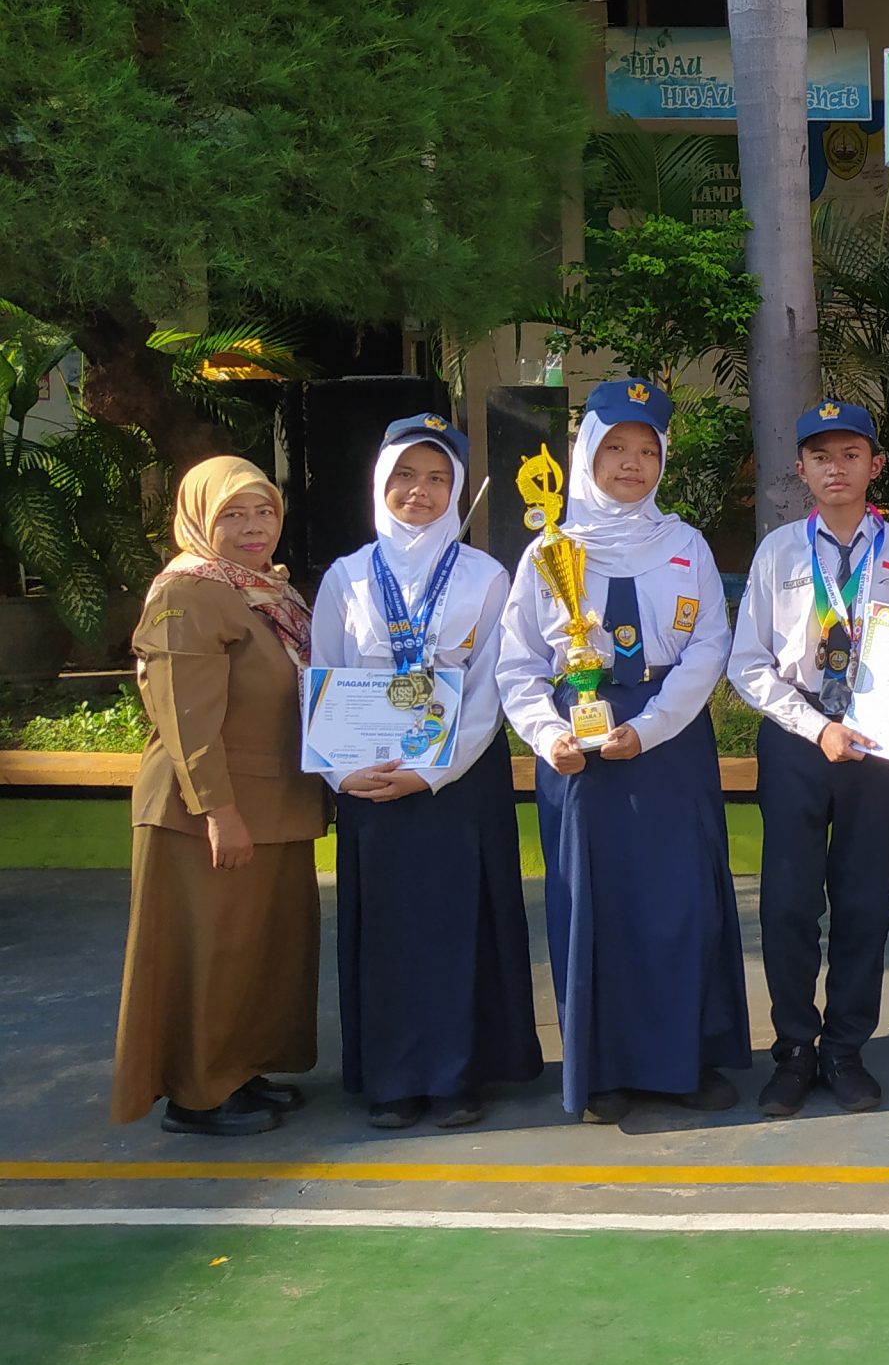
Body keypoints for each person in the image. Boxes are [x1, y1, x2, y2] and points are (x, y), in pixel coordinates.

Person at [497, 379, 749, 1123]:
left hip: (668, 740)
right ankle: (603, 1068)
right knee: (594, 907)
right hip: (578, 744)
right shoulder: (550, 550)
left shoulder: (685, 545)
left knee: (679, 902)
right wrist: (548, 735)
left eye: (647, 450)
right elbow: (516, 664)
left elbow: (709, 645)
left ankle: (685, 1061)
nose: (632, 464)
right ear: (586, 454)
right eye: (615, 448)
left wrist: (654, 725)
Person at [309, 414, 541, 1130]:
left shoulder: (486, 576)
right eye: (406, 475)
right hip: (371, 782)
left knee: (457, 925)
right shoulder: (347, 577)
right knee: (387, 933)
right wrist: (342, 775)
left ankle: (455, 1076)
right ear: (381, 481)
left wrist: (433, 772)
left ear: (457, 489)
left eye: (438, 478)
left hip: (458, 784)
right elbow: (323, 674)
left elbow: (492, 685)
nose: (421, 491)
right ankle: (392, 1077)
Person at [727, 399, 889, 1117]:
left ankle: (846, 1050)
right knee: (789, 905)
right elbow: (748, 665)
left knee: (864, 904)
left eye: (851, 455)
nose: (836, 469)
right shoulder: (778, 552)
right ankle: (794, 1051)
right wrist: (813, 726)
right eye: (820, 457)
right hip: (797, 740)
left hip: (877, 742)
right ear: (801, 470)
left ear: (875, 464)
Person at [113, 457, 328, 1135]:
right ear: (200, 518)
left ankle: (237, 1072)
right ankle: (198, 1095)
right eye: (232, 514)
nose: (253, 527)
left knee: (253, 953)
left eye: (264, 511)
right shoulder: (190, 591)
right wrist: (218, 812)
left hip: (274, 804)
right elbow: (186, 716)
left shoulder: (267, 592)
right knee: (209, 954)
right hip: (208, 810)